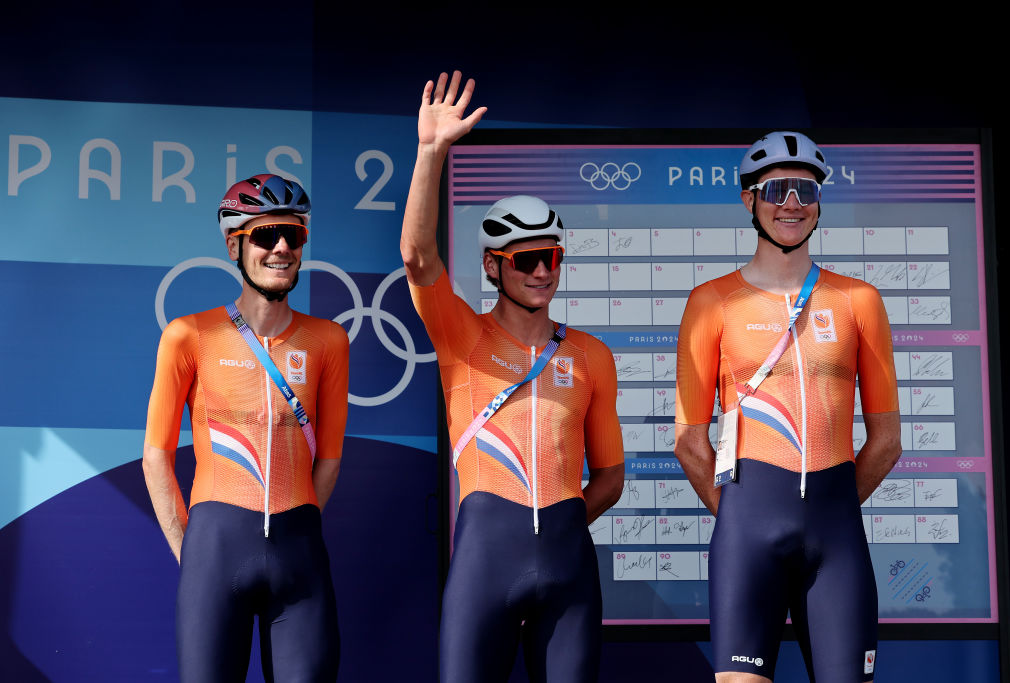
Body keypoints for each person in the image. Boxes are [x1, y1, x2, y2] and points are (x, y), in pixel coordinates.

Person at [400, 71, 625, 683]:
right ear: (493, 267)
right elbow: (419, 259)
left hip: (568, 565)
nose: (542, 271)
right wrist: (430, 152)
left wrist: (557, 521)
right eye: (526, 259)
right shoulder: (461, 335)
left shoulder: (591, 354)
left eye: (551, 257)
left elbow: (609, 478)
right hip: (484, 563)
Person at [674, 132, 902, 683]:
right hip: (748, 531)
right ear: (749, 200)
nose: (791, 204)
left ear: (820, 201)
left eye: (805, 190)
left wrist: (832, 502)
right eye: (776, 189)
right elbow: (689, 439)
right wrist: (738, 514)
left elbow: (887, 440)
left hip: (836, 536)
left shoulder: (859, 300)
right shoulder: (711, 302)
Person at [142, 173, 349, 682]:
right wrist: (193, 552)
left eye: (293, 235)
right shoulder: (189, 335)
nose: (281, 247)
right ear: (235, 245)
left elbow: (329, 459)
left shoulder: (328, 341)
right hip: (214, 550)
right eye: (264, 235)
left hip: (298, 551)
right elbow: (156, 456)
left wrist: (291, 522)